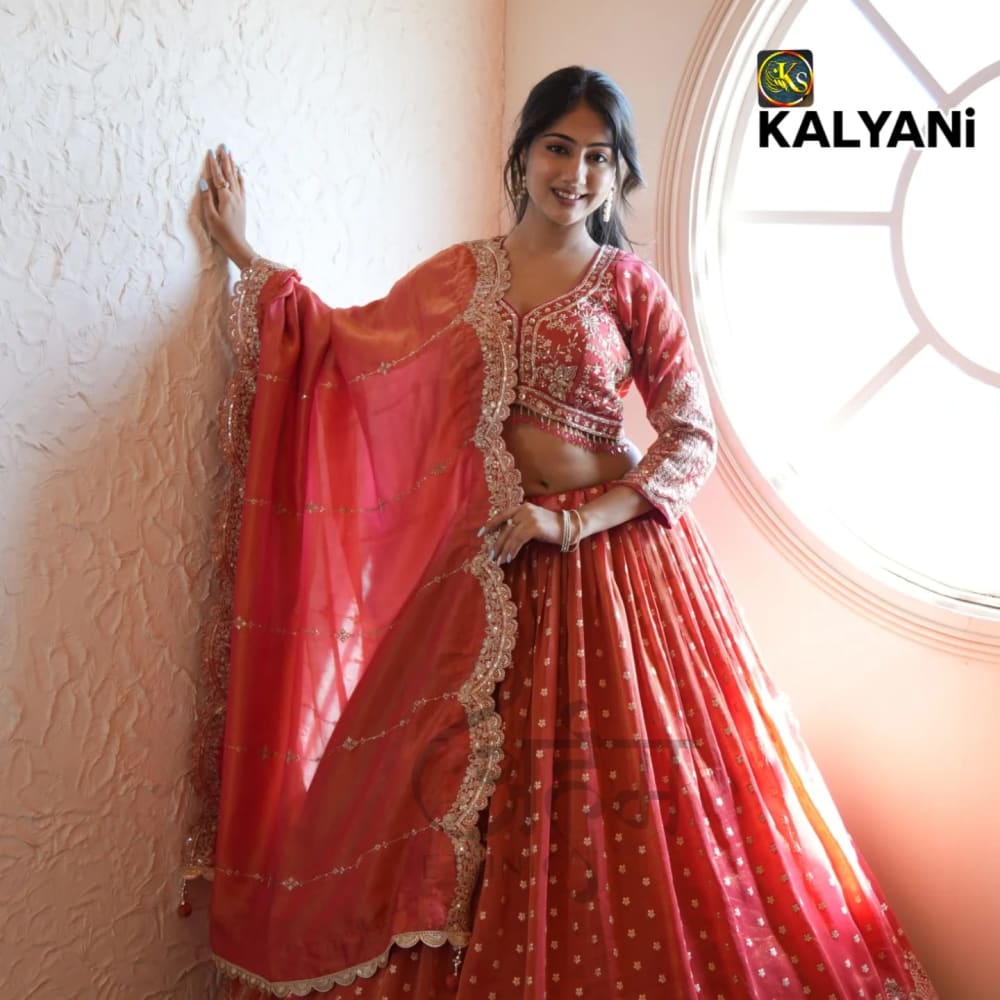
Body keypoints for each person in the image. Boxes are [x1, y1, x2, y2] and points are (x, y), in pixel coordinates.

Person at [186, 66, 936, 1000]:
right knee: (461, 802)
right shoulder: (462, 273)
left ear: (617, 175)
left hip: (619, 571)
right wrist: (251, 259)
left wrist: (574, 522)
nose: (574, 172)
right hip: (493, 561)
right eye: (557, 147)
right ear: (524, 154)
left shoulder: (629, 284)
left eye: (597, 156)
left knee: (632, 812)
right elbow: (356, 347)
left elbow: (691, 437)